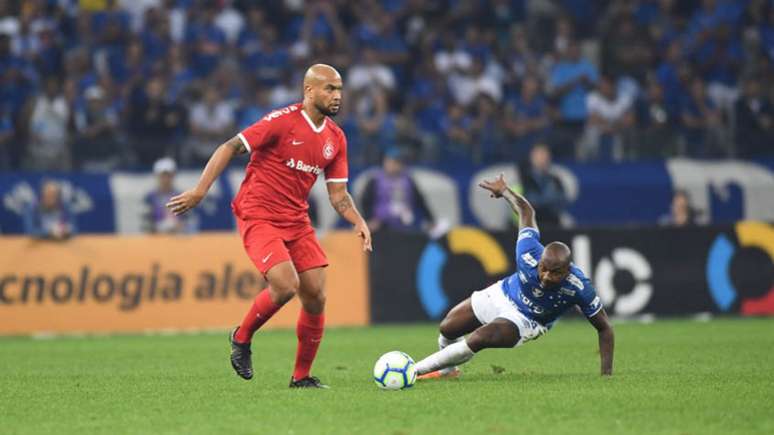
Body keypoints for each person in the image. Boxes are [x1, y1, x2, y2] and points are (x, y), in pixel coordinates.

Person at [166, 64, 371, 389]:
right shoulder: (281, 122)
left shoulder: (335, 138)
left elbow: (339, 194)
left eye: (339, 89)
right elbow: (229, 147)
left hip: (296, 219)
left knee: (316, 295)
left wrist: (358, 221)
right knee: (286, 284)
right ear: (309, 91)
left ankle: (301, 377)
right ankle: (242, 337)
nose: (337, 96)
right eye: (329, 89)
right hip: (258, 213)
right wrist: (199, 190)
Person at [414, 174, 614, 380]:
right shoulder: (527, 251)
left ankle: (412, 371)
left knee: (480, 338)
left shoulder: (579, 287)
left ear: (567, 270)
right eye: (543, 269)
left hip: (528, 319)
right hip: (503, 292)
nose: (545, 276)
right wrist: (506, 192)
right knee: (448, 328)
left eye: (555, 273)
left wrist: (606, 376)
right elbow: (526, 211)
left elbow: (605, 328)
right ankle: (449, 372)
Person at [361, 148, 435, 232]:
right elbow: (365, 201)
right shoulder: (375, 179)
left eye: (396, 162)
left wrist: (430, 220)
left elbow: (420, 201)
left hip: (405, 224)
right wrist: (369, 219)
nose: (392, 165)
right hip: (381, 225)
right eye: (389, 161)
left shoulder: (408, 180)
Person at [143, 158, 197, 234]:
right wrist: (155, 229)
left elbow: (189, 219)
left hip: (178, 237)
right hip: (156, 238)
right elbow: (145, 221)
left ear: (173, 176)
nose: (165, 179)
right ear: (157, 176)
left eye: (168, 175)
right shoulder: (150, 197)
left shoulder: (181, 196)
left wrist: (180, 227)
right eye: (163, 176)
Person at [518, 144, 567, 228]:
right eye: (539, 154)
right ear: (531, 157)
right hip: (531, 226)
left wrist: (543, 201)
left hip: (553, 225)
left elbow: (561, 200)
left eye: (545, 154)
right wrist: (549, 199)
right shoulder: (523, 178)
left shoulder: (555, 179)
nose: (542, 158)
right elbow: (529, 201)